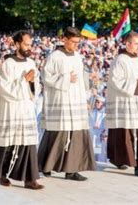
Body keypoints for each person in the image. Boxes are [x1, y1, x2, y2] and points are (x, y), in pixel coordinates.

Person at [38, 27, 96, 181]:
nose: (76, 45)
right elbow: (46, 77)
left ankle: (71, 170)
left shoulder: (77, 56)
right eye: (74, 42)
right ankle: (45, 165)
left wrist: (85, 100)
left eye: (78, 42)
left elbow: (81, 80)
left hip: (76, 100)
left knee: (76, 134)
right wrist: (65, 79)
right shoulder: (55, 56)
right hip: (60, 101)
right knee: (57, 134)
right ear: (64, 39)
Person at [0, 31, 44, 190]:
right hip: (12, 108)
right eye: (26, 44)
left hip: (26, 108)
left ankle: (30, 179)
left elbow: (36, 87)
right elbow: (4, 88)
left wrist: (32, 83)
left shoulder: (31, 63)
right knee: (9, 142)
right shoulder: (8, 63)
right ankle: (3, 174)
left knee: (28, 143)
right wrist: (24, 81)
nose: (29, 47)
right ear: (17, 44)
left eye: (30, 44)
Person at [106, 31, 138, 177]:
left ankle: (125, 160)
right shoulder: (120, 60)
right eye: (136, 44)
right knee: (129, 134)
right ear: (127, 44)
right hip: (128, 102)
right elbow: (115, 81)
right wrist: (136, 84)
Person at [89, 96, 107, 162]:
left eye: (99, 102)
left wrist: (105, 134)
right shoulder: (92, 112)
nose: (97, 103)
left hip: (102, 135)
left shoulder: (105, 113)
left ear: (103, 103)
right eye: (96, 102)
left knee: (102, 151)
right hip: (93, 134)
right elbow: (89, 124)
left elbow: (107, 126)